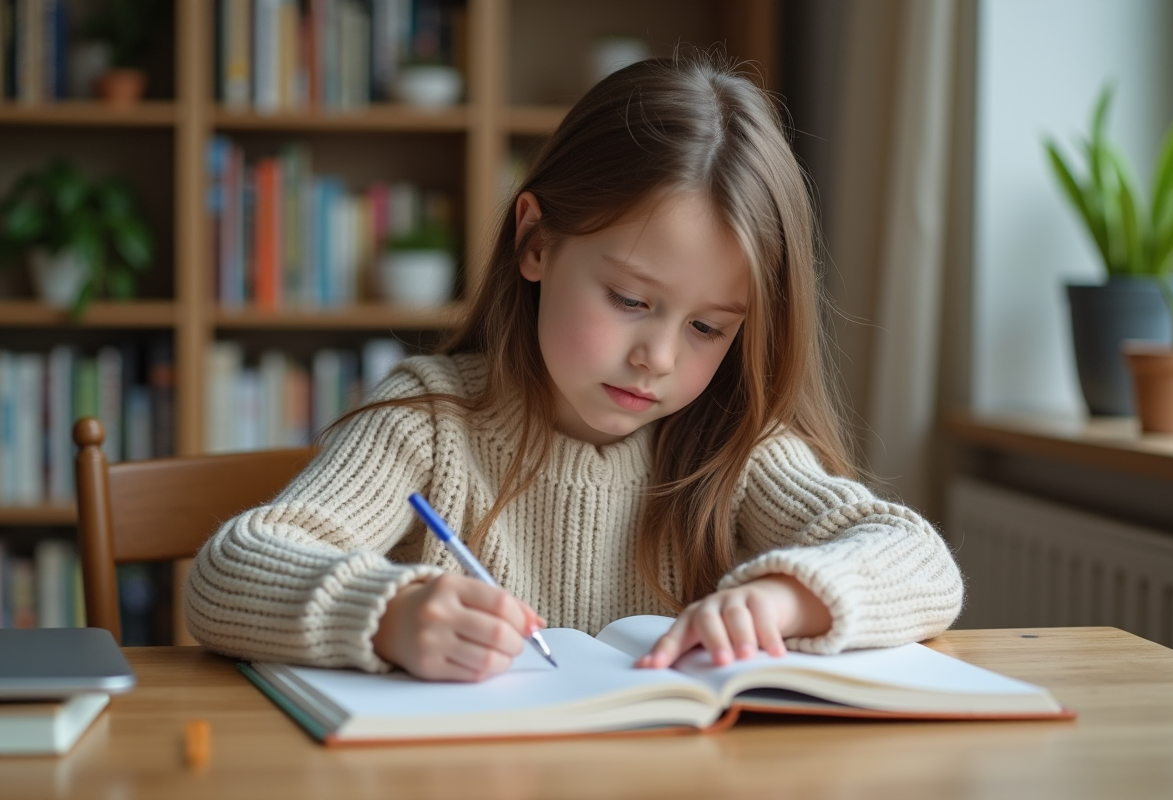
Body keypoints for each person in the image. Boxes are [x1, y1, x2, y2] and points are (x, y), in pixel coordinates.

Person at [184, 53, 963, 682]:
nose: (657, 357)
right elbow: (225, 575)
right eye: (629, 298)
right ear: (535, 243)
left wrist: (785, 599)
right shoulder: (427, 423)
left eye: (706, 327)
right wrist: (388, 614)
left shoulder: (732, 443)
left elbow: (923, 564)